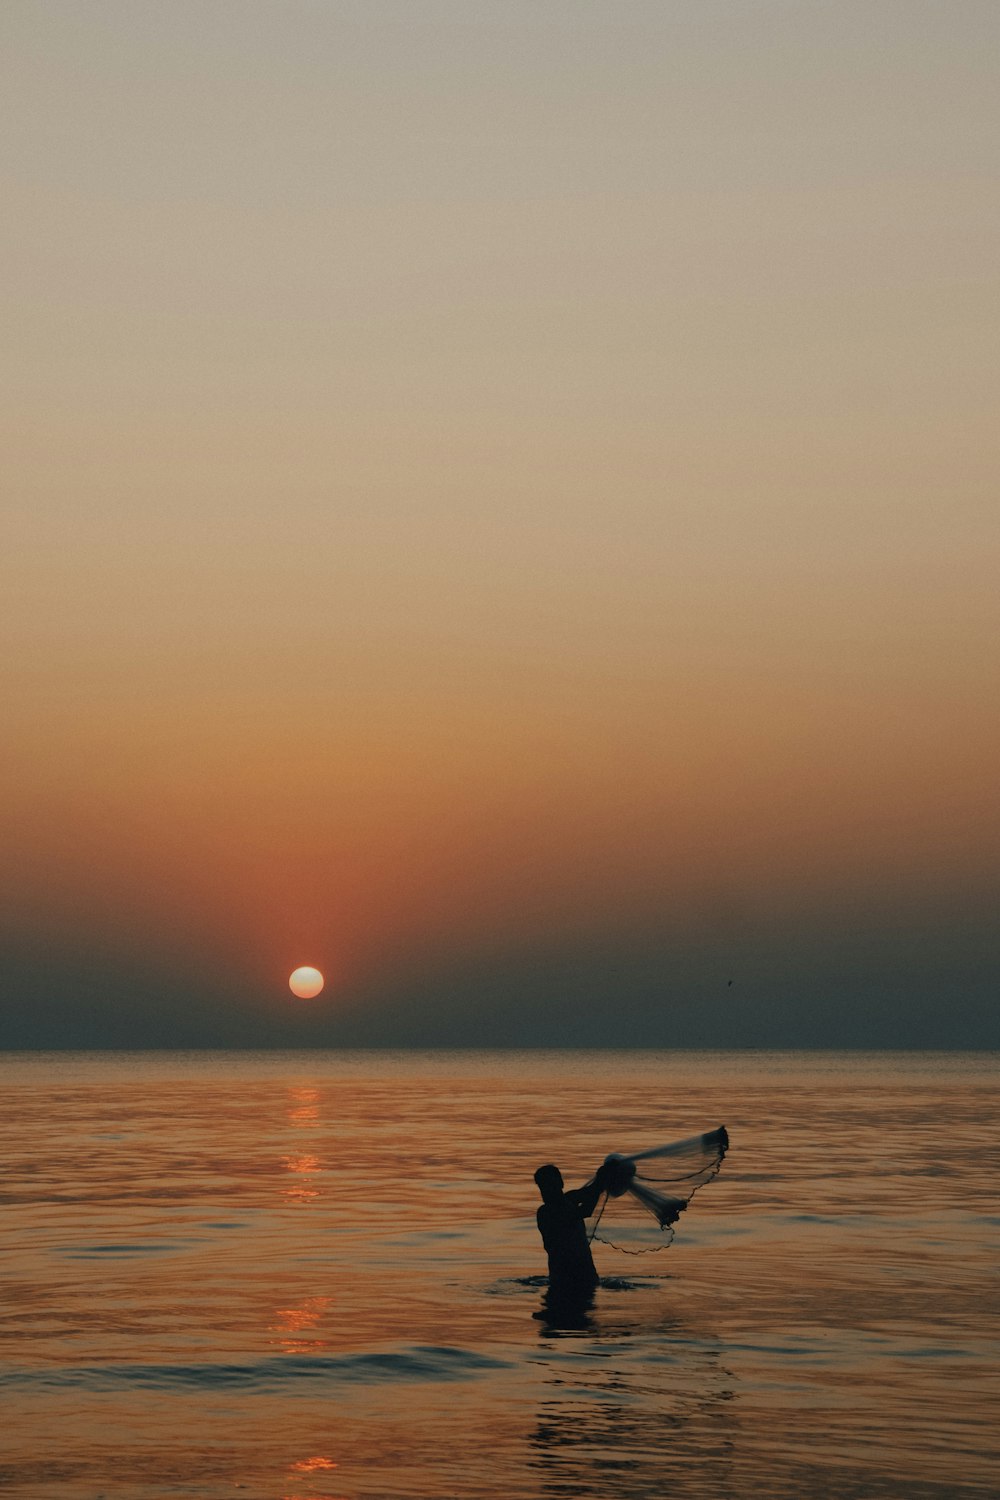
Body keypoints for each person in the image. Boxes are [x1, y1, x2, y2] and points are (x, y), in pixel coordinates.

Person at [533, 1160, 610, 1301]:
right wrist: (601, 1181)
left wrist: (602, 1178)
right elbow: (586, 1210)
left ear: (561, 1184)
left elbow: (589, 1191)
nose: (547, 1190)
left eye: (551, 1185)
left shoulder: (568, 1200)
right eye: (543, 1187)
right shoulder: (546, 1213)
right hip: (563, 1281)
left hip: (583, 1277)